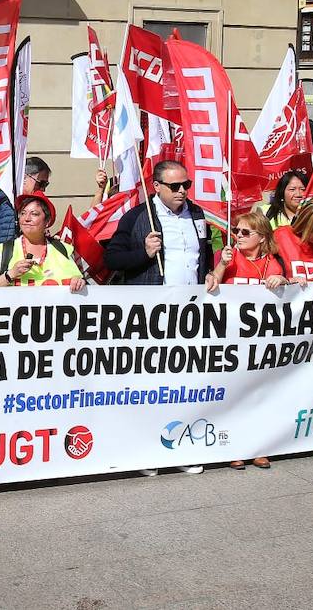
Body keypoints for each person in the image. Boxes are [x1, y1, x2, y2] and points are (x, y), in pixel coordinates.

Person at [104, 161, 212, 476]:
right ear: (157, 186)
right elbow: (112, 258)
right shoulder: (138, 217)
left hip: (190, 313)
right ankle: (145, 450)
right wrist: (144, 253)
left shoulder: (197, 214)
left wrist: (210, 275)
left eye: (186, 185)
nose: (182, 192)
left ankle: (178, 445)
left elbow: (203, 255)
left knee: (182, 383)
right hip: (151, 315)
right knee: (150, 386)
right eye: (175, 187)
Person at [202, 209, 286, 471]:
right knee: (232, 397)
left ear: (261, 237)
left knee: (258, 397)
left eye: (245, 232)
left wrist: (281, 277)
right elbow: (212, 282)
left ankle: (257, 448)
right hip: (229, 342)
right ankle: (233, 448)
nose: (238, 235)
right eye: (236, 230)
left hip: (258, 343)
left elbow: (288, 286)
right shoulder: (229, 257)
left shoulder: (272, 261)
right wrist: (222, 265)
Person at [0, 194, 85, 289]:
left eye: (34, 214)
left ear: (47, 221)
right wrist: (11, 274)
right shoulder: (4, 251)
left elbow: (79, 279)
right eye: (23, 213)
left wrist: (78, 282)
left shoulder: (63, 249)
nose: (27, 219)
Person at [0, 156, 52, 247]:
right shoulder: (9, 206)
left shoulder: (15, 202)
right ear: (24, 178)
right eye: (41, 183)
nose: (43, 189)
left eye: (46, 184)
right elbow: (7, 247)